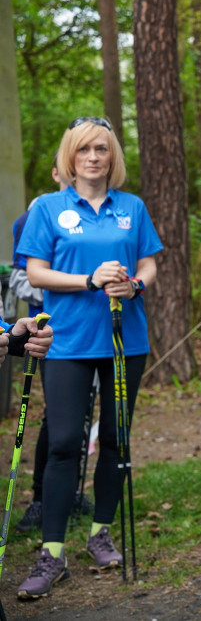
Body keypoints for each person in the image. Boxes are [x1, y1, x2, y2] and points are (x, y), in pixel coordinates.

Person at [15, 116, 162, 600]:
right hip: (66, 342)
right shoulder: (48, 207)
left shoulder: (132, 207)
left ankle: (100, 533)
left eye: (101, 148)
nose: (93, 157)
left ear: (112, 155)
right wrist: (89, 281)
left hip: (124, 340)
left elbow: (148, 264)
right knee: (63, 444)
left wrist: (134, 285)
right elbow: (36, 273)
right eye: (84, 150)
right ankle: (51, 553)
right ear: (70, 158)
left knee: (116, 441)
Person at [9, 167, 93, 532]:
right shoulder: (33, 215)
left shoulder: (100, 217)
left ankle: (70, 492)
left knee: (83, 413)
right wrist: (67, 289)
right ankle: (41, 499)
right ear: (58, 171)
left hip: (91, 331)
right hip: (48, 333)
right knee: (56, 418)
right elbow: (19, 278)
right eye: (71, 166)